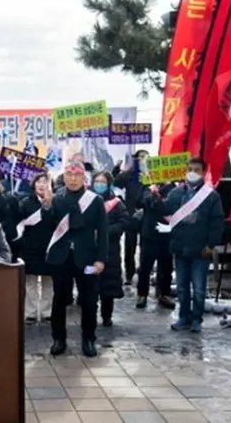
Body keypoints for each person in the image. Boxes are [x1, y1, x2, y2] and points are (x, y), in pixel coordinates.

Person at [42, 161, 108, 357]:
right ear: (64, 176)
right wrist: (46, 206)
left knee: (89, 300)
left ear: (83, 178)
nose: (72, 179)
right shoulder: (56, 198)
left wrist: (100, 259)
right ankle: (58, 338)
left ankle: (88, 339)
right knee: (60, 299)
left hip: (86, 257)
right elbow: (47, 227)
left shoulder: (94, 200)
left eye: (76, 175)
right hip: (61, 257)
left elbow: (103, 231)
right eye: (69, 175)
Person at [152, 157, 224, 333]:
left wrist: (211, 244)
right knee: (182, 287)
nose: (192, 173)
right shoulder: (176, 193)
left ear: (203, 172)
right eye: (190, 169)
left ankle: (196, 319)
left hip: (201, 249)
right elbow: (166, 211)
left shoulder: (211, 195)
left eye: (197, 170)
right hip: (180, 247)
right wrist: (156, 199)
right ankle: (183, 317)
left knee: (199, 288)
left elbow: (217, 221)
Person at [91, 172, 130, 327]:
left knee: (108, 287)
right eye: (97, 182)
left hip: (110, 250)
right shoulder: (86, 200)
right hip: (90, 249)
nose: (99, 185)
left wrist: (107, 231)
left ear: (108, 184)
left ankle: (107, 316)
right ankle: (90, 315)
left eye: (103, 182)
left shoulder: (116, 203)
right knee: (90, 286)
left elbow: (125, 221)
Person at [16, 173, 55, 323]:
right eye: (39, 181)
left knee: (48, 282)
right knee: (30, 283)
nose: (41, 185)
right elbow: (19, 223)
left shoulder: (55, 202)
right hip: (30, 247)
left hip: (49, 247)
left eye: (45, 182)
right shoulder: (26, 202)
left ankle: (47, 312)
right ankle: (30, 312)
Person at [136, 182, 178, 309]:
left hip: (167, 234)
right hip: (150, 234)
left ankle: (164, 294)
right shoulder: (148, 186)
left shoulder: (174, 189)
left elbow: (170, 209)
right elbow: (140, 202)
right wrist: (154, 198)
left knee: (166, 267)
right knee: (145, 267)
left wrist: (158, 202)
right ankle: (142, 294)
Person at [113, 150, 149, 285]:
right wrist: (118, 168)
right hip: (131, 214)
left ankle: (144, 272)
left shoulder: (153, 174)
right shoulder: (130, 174)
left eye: (145, 157)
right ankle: (129, 273)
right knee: (130, 247)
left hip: (147, 216)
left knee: (146, 248)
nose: (143, 160)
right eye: (140, 157)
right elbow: (116, 182)